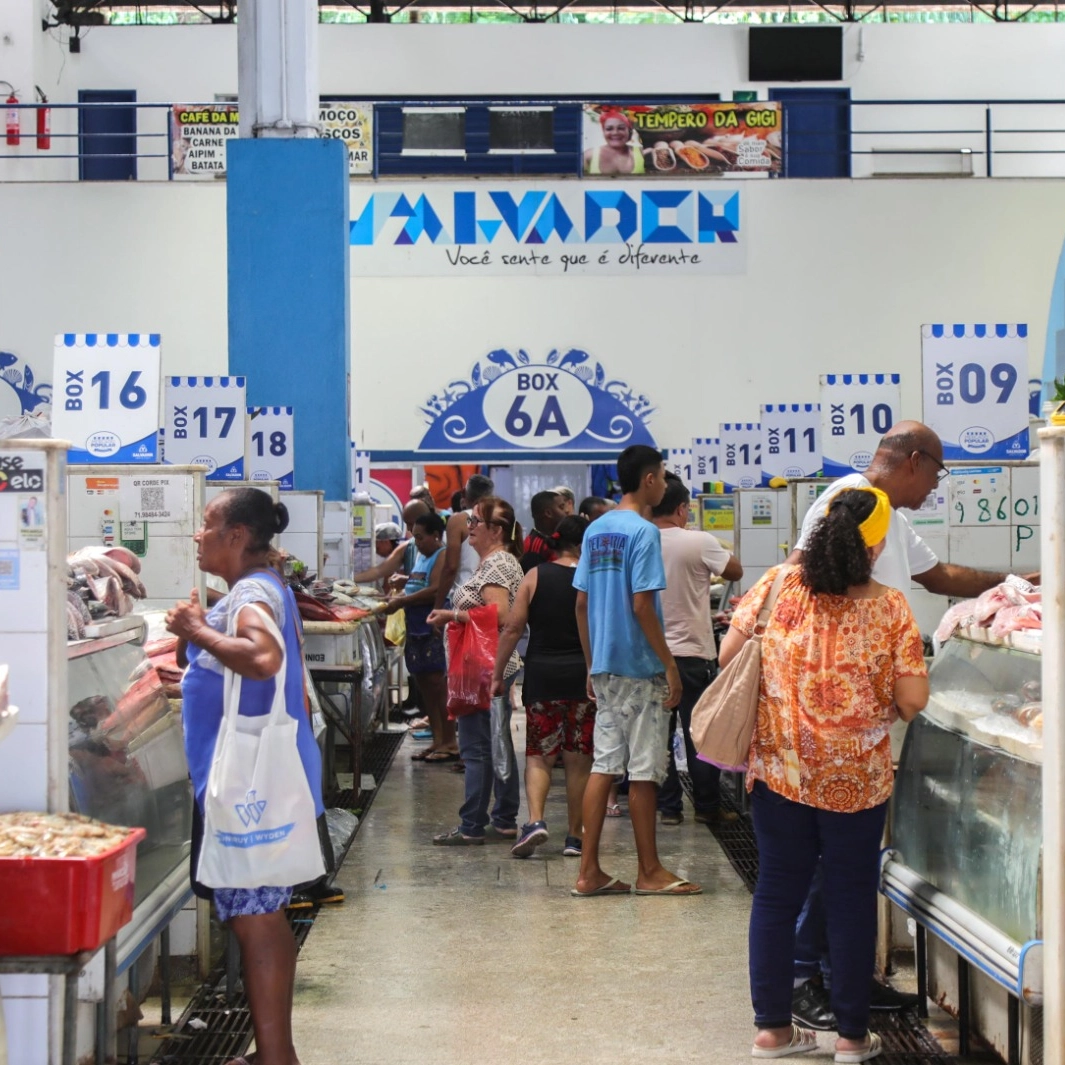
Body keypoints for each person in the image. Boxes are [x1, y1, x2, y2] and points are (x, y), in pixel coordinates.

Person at [786, 420, 1040, 1029]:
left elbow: (940, 578)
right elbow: (802, 578)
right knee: (832, 857)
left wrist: (1017, 585)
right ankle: (805, 979)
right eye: (938, 471)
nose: (937, 485)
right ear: (915, 462)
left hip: (865, 715)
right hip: (833, 717)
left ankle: (847, 976)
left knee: (849, 859)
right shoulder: (853, 502)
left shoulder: (888, 515)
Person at [722, 487, 928, 1063]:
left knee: (777, 894)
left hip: (780, 773)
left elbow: (727, 658)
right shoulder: (888, 608)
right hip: (856, 782)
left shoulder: (777, 587)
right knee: (850, 899)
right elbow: (912, 698)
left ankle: (772, 1033)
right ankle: (851, 1040)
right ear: (878, 543)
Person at [167, 488, 324, 1065]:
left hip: (246, 784)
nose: (198, 537)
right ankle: (273, 1052)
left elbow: (261, 658)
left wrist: (197, 628)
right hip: (254, 778)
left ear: (236, 536)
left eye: (207, 527)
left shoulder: (252, 594)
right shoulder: (253, 589)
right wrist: (199, 632)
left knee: (255, 917)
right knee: (261, 913)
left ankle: (276, 1057)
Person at [571, 444, 698, 898]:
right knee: (644, 770)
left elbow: (582, 602)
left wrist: (591, 663)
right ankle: (649, 871)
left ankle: (588, 873)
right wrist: (669, 664)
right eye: (662, 476)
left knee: (605, 765)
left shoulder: (595, 530)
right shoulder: (643, 533)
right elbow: (642, 603)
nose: (664, 484)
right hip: (641, 666)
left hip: (605, 666)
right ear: (648, 480)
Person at [493, 515, 594, 859]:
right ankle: (575, 836)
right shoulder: (592, 577)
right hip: (584, 677)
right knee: (579, 760)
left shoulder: (535, 576)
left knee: (539, 754)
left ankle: (535, 821)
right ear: (584, 544)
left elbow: (512, 628)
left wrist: (496, 674)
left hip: (542, 676)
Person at [427, 496, 525, 844]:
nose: (469, 528)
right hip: (489, 664)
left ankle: (471, 825)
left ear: (496, 530)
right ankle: (504, 818)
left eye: (476, 523)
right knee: (495, 744)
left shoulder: (497, 564)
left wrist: (451, 615)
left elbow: (499, 615)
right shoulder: (499, 561)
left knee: (476, 748)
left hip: (485, 667)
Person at [650, 472, 743, 826]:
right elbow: (735, 568)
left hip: (653, 655)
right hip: (693, 654)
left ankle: (669, 807)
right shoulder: (698, 541)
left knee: (658, 736)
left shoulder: (641, 541)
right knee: (699, 734)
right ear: (681, 509)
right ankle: (707, 807)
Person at [378, 512, 457, 762]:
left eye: (421, 537)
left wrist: (402, 601)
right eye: (415, 537)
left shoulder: (442, 554)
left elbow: (434, 589)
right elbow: (417, 584)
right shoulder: (421, 556)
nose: (417, 542)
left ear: (437, 535)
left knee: (437, 684)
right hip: (414, 622)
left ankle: (450, 742)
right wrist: (401, 588)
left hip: (429, 622)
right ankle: (437, 740)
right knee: (423, 684)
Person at [436, 473, 494, 608]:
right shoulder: (505, 518)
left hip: (465, 600)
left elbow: (450, 567)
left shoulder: (458, 520)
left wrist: (437, 606)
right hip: (496, 598)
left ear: (465, 495)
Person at [583, 110, 645, 176]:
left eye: (621, 128)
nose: (615, 133)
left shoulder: (642, 153)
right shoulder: (588, 156)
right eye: (609, 129)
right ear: (603, 131)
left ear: (629, 131)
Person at [520, 490, 567, 572]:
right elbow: (535, 582)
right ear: (548, 513)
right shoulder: (534, 546)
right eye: (561, 507)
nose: (566, 511)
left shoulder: (555, 538)